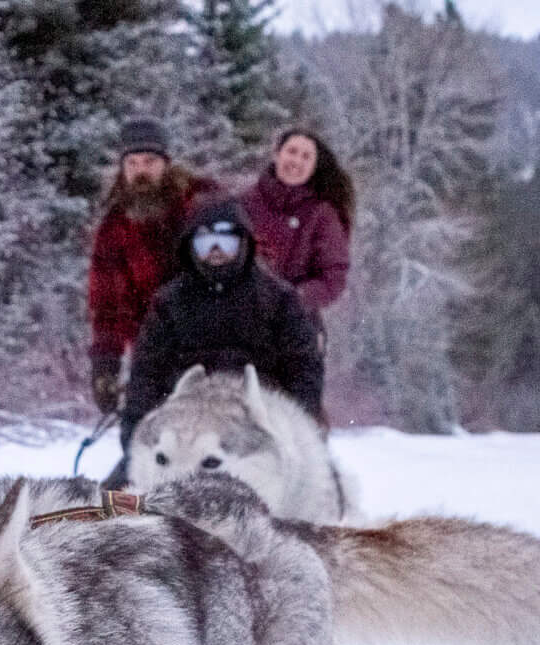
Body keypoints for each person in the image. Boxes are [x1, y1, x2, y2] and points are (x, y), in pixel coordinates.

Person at [114, 196, 324, 467]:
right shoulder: (169, 302)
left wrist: (296, 433)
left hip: (255, 430)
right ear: (190, 246)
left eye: (225, 240)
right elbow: (146, 375)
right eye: (204, 241)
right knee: (119, 500)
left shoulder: (280, 299)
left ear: (243, 242)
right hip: (182, 430)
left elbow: (304, 371)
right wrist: (135, 436)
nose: (215, 250)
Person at [86, 116, 218, 417]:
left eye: (149, 161)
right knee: (139, 433)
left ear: (166, 164)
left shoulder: (202, 202)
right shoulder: (114, 226)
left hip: (215, 344)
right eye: (132, 163)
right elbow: (107, 305)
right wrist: (105, 365)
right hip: (152, 350)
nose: (140, 171)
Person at [237, 127, 354, 322]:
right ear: (277, 154)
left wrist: (292, 299)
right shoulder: (244, 202)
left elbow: (333, 277)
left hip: (294, 324)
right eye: (292, 152)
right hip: (240, 318)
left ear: (314, 166)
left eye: (306, 157)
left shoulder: (322, 214)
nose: (297, 161)